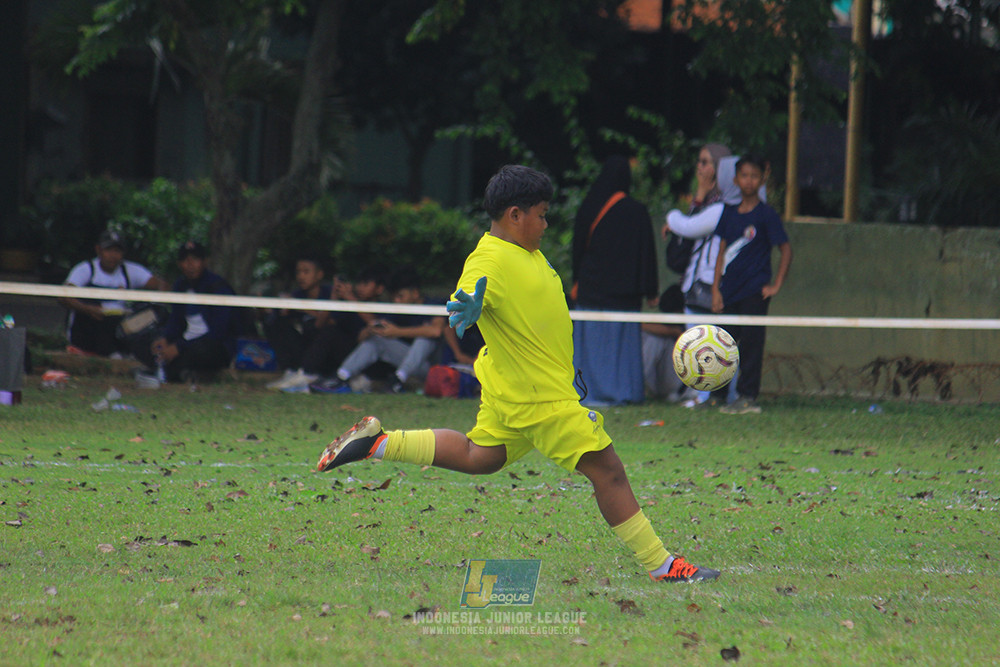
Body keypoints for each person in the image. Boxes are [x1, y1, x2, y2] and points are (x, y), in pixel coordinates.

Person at [315, 165, 719, 583]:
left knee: (479, 456)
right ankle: (662, 565)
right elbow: (472, 290)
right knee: (608, 470)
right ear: (514, 215)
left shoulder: (526, 251)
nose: (545, 224)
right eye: (541, 215)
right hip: (539, 398)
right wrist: (467, 306)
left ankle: (377, 443)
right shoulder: (489, 257)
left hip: (519, 387)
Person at [571, 155, 658, 405]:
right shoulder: (637, 211)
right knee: (621, 351)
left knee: (590, 348)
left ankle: (586, 392)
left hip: (592, 290)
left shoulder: (589, 206)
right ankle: (624, 393)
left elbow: (578, 249)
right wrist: (650, 289)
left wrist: (577, 280)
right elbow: (646, 254)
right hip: (625, 295)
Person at [708, 154, 793, 414]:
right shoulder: (729, 214)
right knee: (723, 344)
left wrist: (775, 285)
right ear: (736, 179)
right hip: (729, 290)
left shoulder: (767, 215)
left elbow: (786, 249)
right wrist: (715, 289)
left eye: (754, 176)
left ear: (762, 179)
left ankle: (747, 396)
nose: (748, 181)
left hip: (755, 291)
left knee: (752, 345)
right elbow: (721, 252)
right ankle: (716, 396)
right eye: (744, 175)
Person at [311, 266, 444, 394]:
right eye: (394, 297)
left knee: (425, 338)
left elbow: (436, 331)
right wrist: (371, 329)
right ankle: (341, 377)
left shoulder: (433, 304)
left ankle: (398, 381)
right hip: (407, 364)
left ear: (415, 293)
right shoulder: (397, 310)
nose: (397, 301)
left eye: (400, 296)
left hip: (433, 368)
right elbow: (362, 338)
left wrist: (397, 332)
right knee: (377, 339)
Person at [59, 230, 169, 358]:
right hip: (91, 325)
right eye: (108, 250)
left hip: (121, 325)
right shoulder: (86, 269)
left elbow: (162, 286)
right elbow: (63, 296)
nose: (113, 255)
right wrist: (88, 309)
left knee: (154, 314)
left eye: (117, 251)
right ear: (98, 250)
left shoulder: (130, 271)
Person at [265, 257, 361, 391]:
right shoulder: (298, 294)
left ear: (319, 275)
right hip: (309, 349)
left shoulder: (332, 293)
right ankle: (292, 372)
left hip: (333, 354)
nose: (301, 276)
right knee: (276, 324)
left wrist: (303, 307)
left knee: (329, 331)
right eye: (298, 272)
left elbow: (322, 325)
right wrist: (282, 309)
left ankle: (308, 374)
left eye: (306, 272)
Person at [149, 241, 240, 383]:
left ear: (204, 262)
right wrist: (166, 338)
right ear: (179, 264)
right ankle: (183, 373)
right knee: (148, 344)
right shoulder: (180, 286)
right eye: (185, 260)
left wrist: (179, 347)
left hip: (213, 346)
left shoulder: (217, 287)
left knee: (201, 351)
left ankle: (188, 373)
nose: (190, 265)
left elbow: (219, 332)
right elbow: (176, 320)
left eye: (195, 260)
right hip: (185, 342)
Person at [641, 284, 687, 401]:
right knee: (650, 337)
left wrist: (637, 324)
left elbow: (675, 331)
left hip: (681, 387)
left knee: (656, 339)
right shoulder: (663, 322)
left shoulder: (688, 323)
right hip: (657, 383)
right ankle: (635, 385)